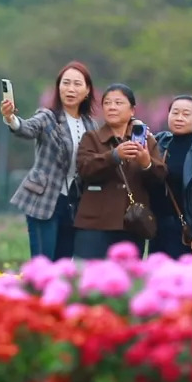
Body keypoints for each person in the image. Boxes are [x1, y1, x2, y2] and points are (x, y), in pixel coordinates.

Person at [1, 61, 98, 260]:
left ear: (87, 90)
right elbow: (26, 128)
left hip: (73, 204)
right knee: (43, 263)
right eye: (66, 83)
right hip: (44, 199)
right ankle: (35, 292)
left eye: (77, 84)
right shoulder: (48, 117)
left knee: (62, 267)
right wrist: (11, 118)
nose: (71, 89)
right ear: (58, 87)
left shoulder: (91, 124)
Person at [73, 83, 167, 259]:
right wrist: (114, 156)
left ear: (132, 110)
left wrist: (146, 163)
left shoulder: (146, 140)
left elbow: (160, 177)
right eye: (107, 103)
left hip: (133, 224)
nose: (112, 107)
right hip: (95, 225)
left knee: (128, 282)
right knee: (90, 279)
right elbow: (85, 168)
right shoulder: (92, 138)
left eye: (118, 102)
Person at [148, 95, 192, 259]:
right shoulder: (159, 143)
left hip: (186, 231)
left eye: (186, 114)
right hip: (156, 228)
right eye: (175, 112)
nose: (179, 118)